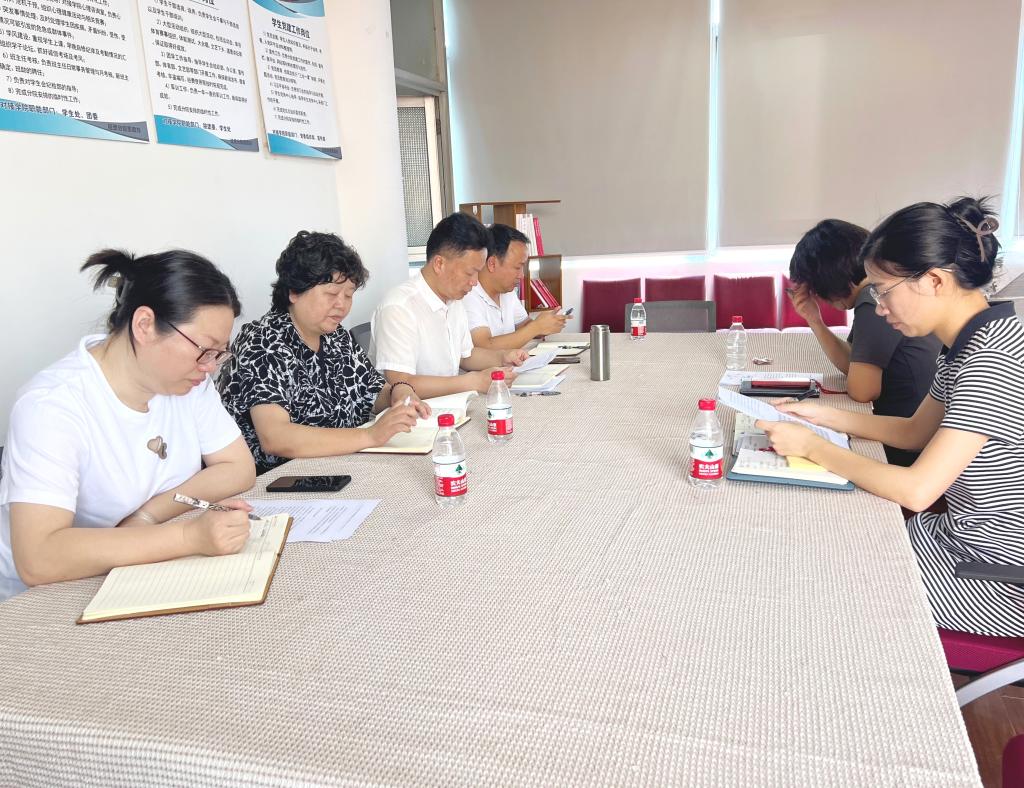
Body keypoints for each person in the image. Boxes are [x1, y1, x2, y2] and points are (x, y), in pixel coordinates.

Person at [759, 197, 1024, 637]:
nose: (879, 307)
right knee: (830, 541)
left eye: (883, 290)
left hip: (997, 575)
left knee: (818, 586)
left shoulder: (991, 361)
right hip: (957, 538)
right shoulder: (970, 344)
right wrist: (822, 416)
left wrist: (812, 447)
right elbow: (914, 432)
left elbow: (917, 490)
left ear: (934, 281)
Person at [0, 250, 257, 602]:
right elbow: (39, 558)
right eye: (204, 349)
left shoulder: (188, 383)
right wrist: (188, 537)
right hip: (43, 599)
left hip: (134, 570)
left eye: (219, 353)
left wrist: (147, 516)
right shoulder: (51, 406)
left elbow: (238, 468)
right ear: (144, 325)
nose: (210, 366)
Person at [217, 231, 429, 474]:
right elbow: (276, 437)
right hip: (282, 479)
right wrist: (370, 436)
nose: (342, 305)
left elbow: (372, 393)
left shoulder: (336, 336)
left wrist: (398, 391)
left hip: (341, 465)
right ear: (294, 291)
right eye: (331, 294)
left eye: (348, 295)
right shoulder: (262, 341)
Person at [787, 219, 941, 466]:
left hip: (904, 442)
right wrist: (814, 320)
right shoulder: (871, 297)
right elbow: (853, 364)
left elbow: (862, 391)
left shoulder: (873, 301)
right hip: (907, 431)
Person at [371, 212, 528, 396]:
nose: (474, 282)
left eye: (478, 273)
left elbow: (465, 356)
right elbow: (401, 382)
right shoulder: (399, 307)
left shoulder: (454, 300)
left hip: (451, 405)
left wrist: (502, 357)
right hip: (414, 410)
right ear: (439, 264)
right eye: (469, 273)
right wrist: (472, 382)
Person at [464, 223, 568, 350]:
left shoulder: (507, 291)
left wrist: (547, 324)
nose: (522, 275)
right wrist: (536, 327)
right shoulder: (468, 295)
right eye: (518, 267)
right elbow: (484, 346)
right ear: (492, 264)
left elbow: (523, 325)